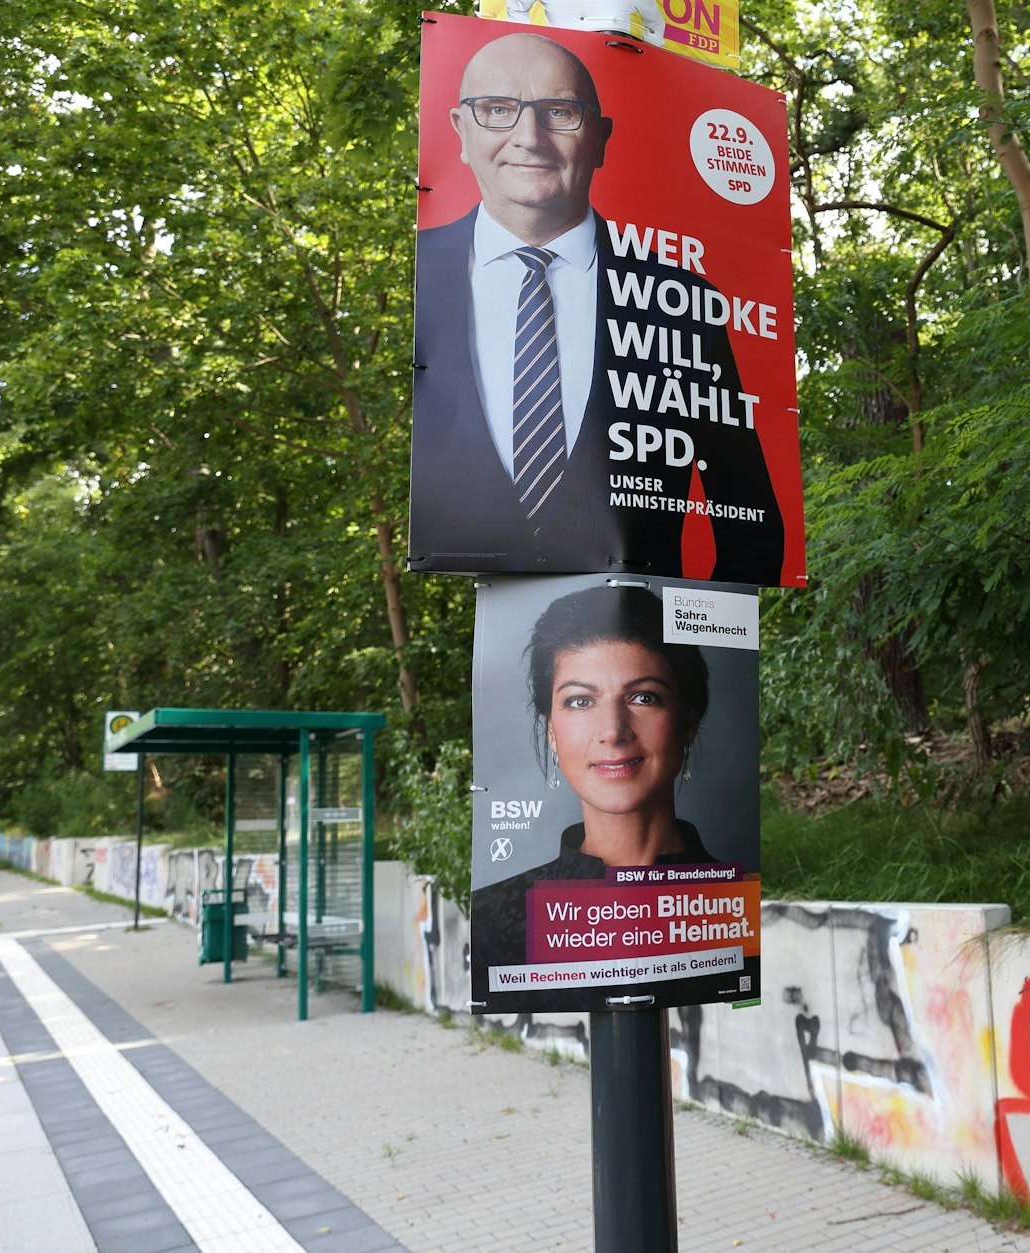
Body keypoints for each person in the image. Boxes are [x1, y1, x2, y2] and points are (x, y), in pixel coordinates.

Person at [410, 32, 782, 581]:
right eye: (497, 110)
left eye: (559, 112)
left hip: (649, 637)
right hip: (474, 627)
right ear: (460, 131)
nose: (528, 137)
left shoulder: (683, 302)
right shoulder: (421, 271)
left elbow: (749, 524)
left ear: (600, 138)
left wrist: (689, 640)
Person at [471, 585, 717, 983]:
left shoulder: (735, 902)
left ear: (688, 722)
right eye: (580, 701)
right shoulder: (493, 915)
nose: (613, 731)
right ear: (551, 730)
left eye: (643, 697)